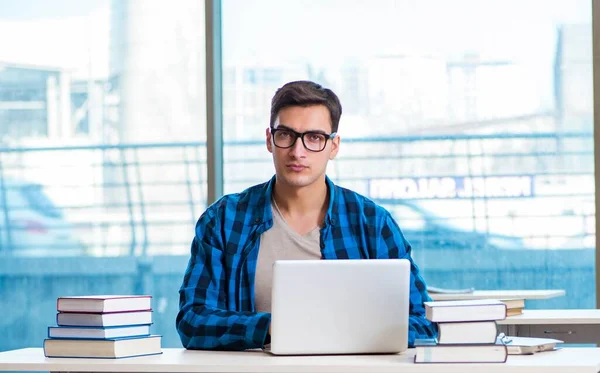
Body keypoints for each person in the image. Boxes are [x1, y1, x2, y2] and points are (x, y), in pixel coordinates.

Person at [176, 80, 437, 351]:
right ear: (270, 140)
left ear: (333, 146)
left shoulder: (372, 223)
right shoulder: (223, 220)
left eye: (314, 138)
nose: (297, 152)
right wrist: (273, 327)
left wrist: (349, 329)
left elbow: (422, 323)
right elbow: (192, 320)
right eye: (286, 135)